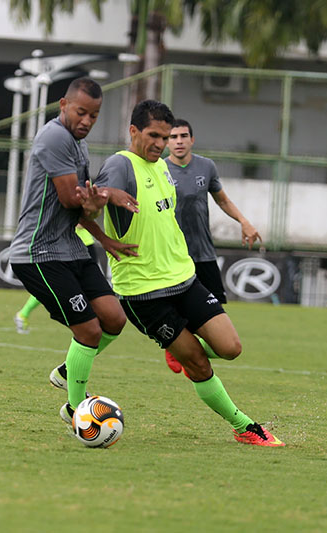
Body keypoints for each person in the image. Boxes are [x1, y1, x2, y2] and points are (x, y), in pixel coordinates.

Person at [54, 99, 283, 446]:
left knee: (231, 348)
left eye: (165, 137)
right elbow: (90, 204)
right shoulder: (121, 165)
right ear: (134, 132)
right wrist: (104, 227)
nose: (160, 144)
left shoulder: (161, 166)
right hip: (144, 294)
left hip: (185, 279)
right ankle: (245, 427)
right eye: (153, 136)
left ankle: (178, 346)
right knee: (200, 366)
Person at [9, 77, 138, 426]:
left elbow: (83, 207)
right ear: (63, 105)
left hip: (69, 248)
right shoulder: (54, 138)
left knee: (114, 319)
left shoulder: (78, 144)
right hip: (38, 255)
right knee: (89, 332)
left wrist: (105, 239)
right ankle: (76, 411)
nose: (87, 121)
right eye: (81, 112)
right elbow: (71, 199)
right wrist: (108, 195)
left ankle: (68, 370)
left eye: (94, 116)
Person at [163, 118, 262, 374]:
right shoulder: (159, 170)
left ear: (192, 140)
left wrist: (244, 222)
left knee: (213, 315)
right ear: (166, 142)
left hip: (204, 254)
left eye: (183, 135)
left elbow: (222, 200)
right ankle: (178, 349)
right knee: (181, 312)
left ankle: (187, 354)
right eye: (173, 137)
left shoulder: (206, 167)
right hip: (173, 256)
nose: (179, 141)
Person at [14, 225, 98, 335]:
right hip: (77, 245)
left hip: (84, 243)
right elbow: (80, 223)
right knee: (56, 285)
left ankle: (23, 314)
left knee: (65, 286)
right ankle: (23, 314)